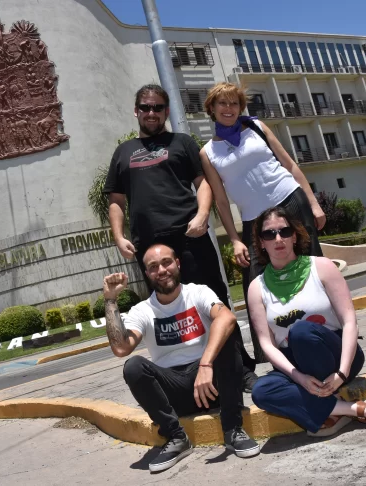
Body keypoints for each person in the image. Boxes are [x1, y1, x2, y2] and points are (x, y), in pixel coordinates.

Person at [104, 83, 258, 390]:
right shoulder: (123, 153)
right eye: (145, 107)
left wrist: (202, 216)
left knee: (215, 302)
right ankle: (188, 370)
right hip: (150, 248)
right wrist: (119, 237)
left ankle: (239, 369)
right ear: (136, 111)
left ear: (166, 111)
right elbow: (116, 200)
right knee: (171, 310)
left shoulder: (182, 142)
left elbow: (204, 183)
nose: (151, 113)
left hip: (191, 237)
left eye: (157, 107)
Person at [103, 243, 260, 473]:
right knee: (133, 366)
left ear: (178, 263)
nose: (162, 270)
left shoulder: (198, 292)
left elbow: (226, 318)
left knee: (225, 338)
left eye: (166, 262)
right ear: (147, 274)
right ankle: (176, 437)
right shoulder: (142, 310)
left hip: (210, 384)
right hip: (174, 390)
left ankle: (233, 429)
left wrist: (206, 363)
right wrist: (110, 300)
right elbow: (120, 348)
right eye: (153, 267)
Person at [199, 82, 325, 360]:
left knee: (313, 266)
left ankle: (333, 330)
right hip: (253, 219)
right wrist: (234, 239)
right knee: (254, 282)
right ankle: (270, 352)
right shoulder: (208, 152)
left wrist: (314, 203)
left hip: (290, 200)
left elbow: (290, 165)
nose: (229, 108)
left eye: (234, 103)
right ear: (212, 108)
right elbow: (220, 200)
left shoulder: (257, 127)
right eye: (222, 103)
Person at [247, 206, 366, 436]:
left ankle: (327, 407)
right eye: (269, 234)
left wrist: (342, 373)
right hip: (295, 364)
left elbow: (349, 321)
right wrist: (299, 377)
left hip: (336, 354)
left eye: (284, 231)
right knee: (261, 391)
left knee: (301, 332)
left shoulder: (322, 267)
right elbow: (267, 344)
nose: (278, 239)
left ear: (294, 235)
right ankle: (351, 409)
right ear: (262, 242)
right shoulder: (257, 288)